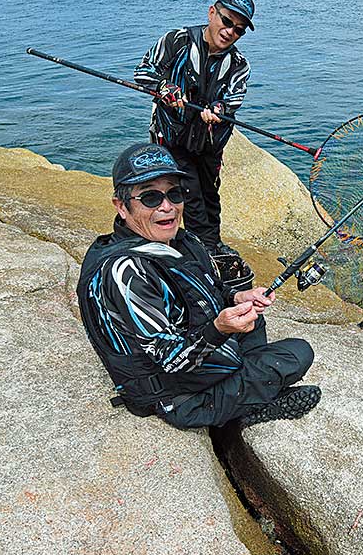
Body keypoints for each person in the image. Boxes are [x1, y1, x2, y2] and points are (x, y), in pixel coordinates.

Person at [76, 142, 321, 428]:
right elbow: (169, 360)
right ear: (121, 206)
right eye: (150, 198)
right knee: (297, 354)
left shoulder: (182, 241)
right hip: (175, 392)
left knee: (256, 323)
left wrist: (238, 296)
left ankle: (242, 387)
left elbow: (205, 290)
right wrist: (219, 329)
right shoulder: (127, 271)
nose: (166, 206)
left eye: (174, 193)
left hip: (197, 351)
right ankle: (237, 409)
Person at [134, 0, 255, 260]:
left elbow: (233, 98)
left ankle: (211, 245)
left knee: (210, 195)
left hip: (210, 143)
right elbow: (143, 72)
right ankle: (203, 253)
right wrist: (164, 87)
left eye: (238, 30)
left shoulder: (239, 64)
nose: (229, 32)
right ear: (212, 12)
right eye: (226, 22)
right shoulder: (176, 41)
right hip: (173, 138)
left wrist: (218, 110)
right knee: (190, 195)